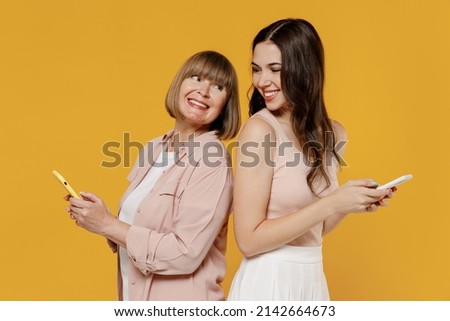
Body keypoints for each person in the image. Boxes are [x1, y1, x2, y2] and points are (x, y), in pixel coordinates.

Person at [227, 18, 394, 301]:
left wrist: (350, 202)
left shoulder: (333, 133)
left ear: (305, 70)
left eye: (275, 69)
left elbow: (316, 228)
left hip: (312, 277)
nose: (261, 81)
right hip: (268, 282)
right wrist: (334, 201)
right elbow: (248, 239)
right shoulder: (260, 131)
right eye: (256, 69)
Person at [65, 51, 241, 300]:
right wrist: (97, 218)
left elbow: (185, 253)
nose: (203, 91)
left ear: (225, 106)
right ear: (179, 83)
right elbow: (142, 226)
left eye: (218, 86)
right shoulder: (153, 148)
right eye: (196, 78)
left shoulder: (211, 159)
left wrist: (107, 224)